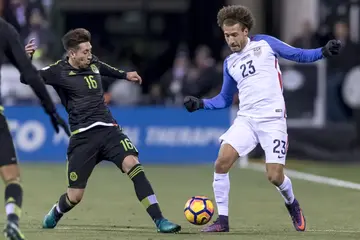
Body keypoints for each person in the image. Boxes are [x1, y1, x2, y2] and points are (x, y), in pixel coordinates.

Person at [184, 5, 341, 232]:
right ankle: (223, 221)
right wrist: (200, 104)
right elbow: (224, 99)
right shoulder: (230, 64)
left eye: (234, 34)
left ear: (245, 31)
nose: (231, 40)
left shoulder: (265, 44)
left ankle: (292, 203)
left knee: (275, 176)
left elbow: (297, 54)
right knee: (221, 162)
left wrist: (323, 52)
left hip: (273, 119)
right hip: (246, 119)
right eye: (227, 36)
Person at [23, 28, 181, 233]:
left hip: (109, 130)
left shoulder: (92, 61)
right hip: (82, 138)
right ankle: (57, 211)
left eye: (90, 50)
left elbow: (103, 67)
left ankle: (160, 220)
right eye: (85, 52)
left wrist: (125, 75)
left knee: (133, 164)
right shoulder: (57, 71)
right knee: (75, 197)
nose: (89, 55)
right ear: (72, 53)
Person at [0, 18, 69, 240]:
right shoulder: (4, 29)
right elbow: (29, 74)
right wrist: (51, 110)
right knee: (11, 178)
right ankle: (11, 223)